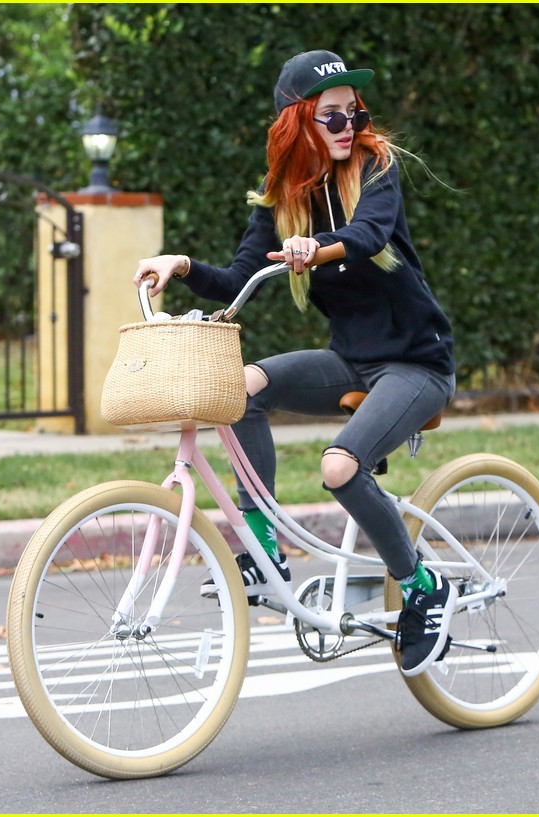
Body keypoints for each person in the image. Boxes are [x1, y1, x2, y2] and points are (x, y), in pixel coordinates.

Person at [134, 50, 456, 676]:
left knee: (340, 467)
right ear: (295, 124)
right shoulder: (280, 197)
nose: (347, 127)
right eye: (329, 117)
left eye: (352, 114)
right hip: (352, 362)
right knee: (241, 386)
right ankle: (264, 546)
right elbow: (235, 278)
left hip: (417, 365)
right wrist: (180, 266)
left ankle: (421, 587)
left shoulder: (376, 167)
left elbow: (371, 235)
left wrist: (321, 247)